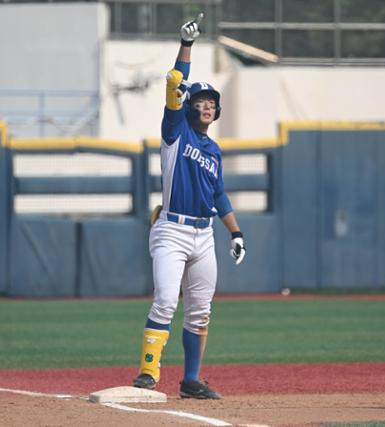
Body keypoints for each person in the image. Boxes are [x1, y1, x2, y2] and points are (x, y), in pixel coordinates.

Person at [132, 13, 246, 400]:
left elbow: (218, 194)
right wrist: (187, 46)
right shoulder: (175, 132)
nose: (208, 106)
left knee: (200, 311)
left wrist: (236, 232)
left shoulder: (213, 150)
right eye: (201, 100)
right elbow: (176, 84)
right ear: (189, 107)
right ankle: (149, 372)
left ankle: (191, 380)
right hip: (172, 230)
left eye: (212, 101)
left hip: (204, 234)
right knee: (165, 299)